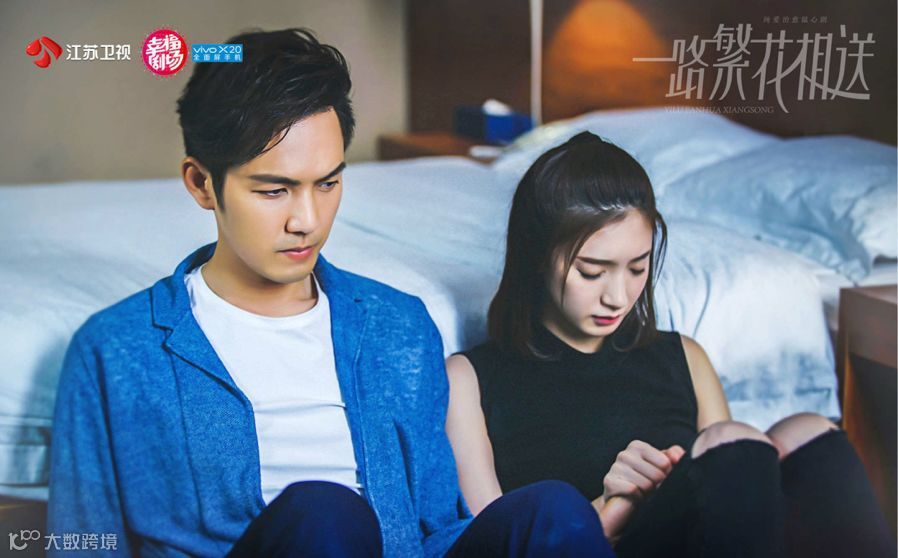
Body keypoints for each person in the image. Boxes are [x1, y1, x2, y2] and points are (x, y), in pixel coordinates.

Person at [48, 29, 615, 557]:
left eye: (328, 183)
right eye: (274, 190)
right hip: (308, 534)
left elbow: (437, 525)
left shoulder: (399, 327)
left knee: (555, 509)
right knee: (325, 514)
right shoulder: (117, 350)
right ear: (202, 184)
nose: (308, 221)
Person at [445, 131, 897, 558]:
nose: (617, 297)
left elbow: (738, 509)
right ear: (537, 256)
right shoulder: (471, 379)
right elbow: (499, 539)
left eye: (637, 268)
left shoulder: (685, 357)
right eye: (591, 272)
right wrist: (608, 509)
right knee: (728, 440)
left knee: (804, 431)